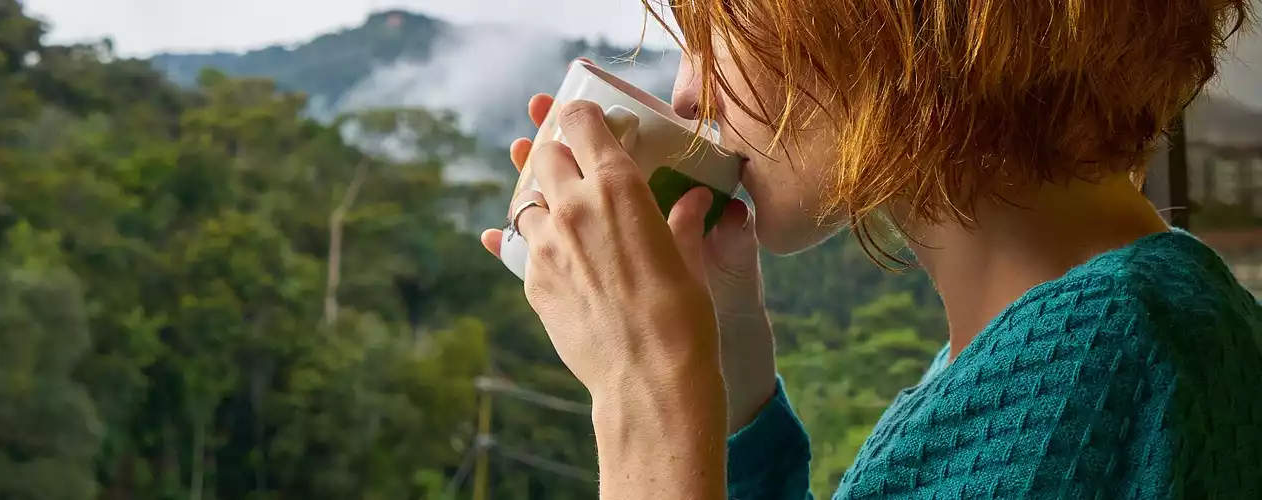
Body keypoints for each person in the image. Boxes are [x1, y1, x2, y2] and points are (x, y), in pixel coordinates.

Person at [478, 0, 1260, 498]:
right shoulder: (1090, 337)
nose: (688, 92)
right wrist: (726, 381)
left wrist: (644, 397)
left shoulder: (1104, 365)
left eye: (718, 31)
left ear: (889, 19)